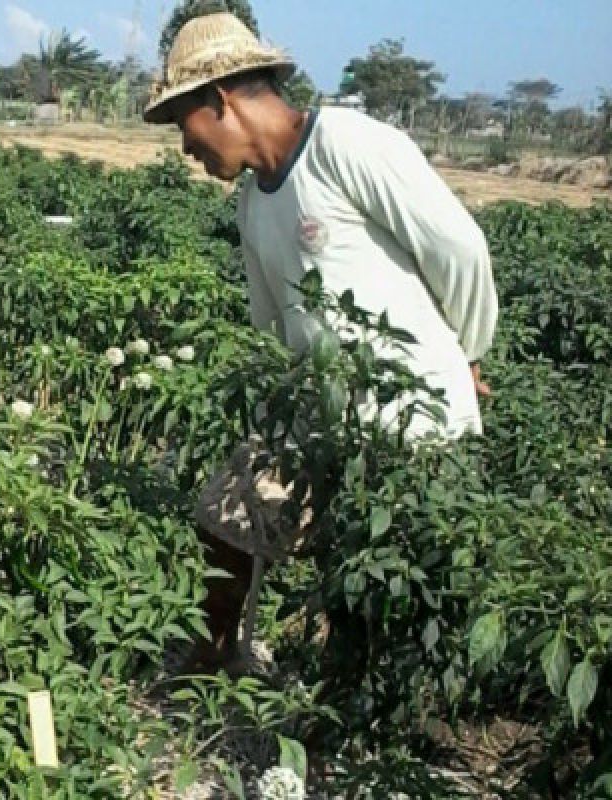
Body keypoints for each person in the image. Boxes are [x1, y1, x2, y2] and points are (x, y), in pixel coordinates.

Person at [143, 13, 498, 672]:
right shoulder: (254, 204)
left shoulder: (348, 144)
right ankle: (218, 657)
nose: (184, 148)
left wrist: (468, 349)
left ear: (219, 99)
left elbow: (460, 250)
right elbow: (272, 329)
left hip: (409, 425)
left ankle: (382, 704)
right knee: (227, 508)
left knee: (390, 581)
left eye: (182, 125)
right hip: (323, 427)